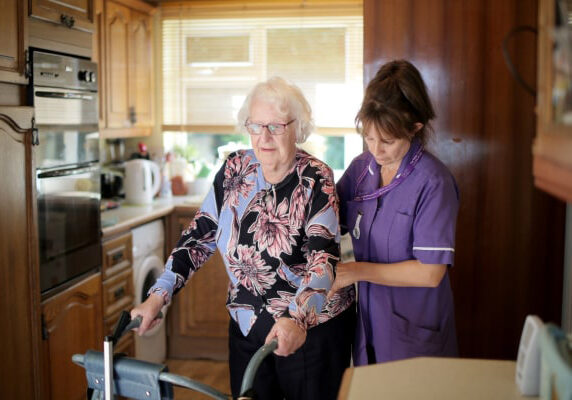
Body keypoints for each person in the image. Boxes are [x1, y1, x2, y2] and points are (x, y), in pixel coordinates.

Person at [131, 76, 355, 399]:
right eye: (255, 126)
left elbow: (323, 259)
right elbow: (200, 235)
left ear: (297, 127)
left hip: (308, 331)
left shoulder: (316, 178)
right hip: (247, 325)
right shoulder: (235, 169)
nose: (263, 137)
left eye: (276, 126)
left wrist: (296, 319)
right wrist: (157, 297)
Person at [328, 60, 460, 365]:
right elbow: (329, 214)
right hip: (369, 324)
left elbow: (430, 272)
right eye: (370, 137)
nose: (376, 149)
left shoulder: (433, 183)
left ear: (414, 128)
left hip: (414, 329)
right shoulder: (362, 169)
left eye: (387, 140)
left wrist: (357, 272)